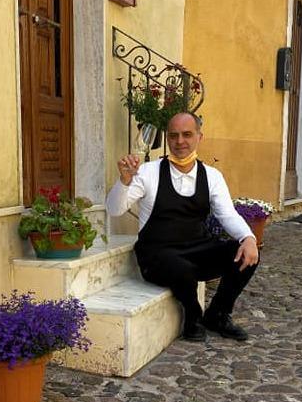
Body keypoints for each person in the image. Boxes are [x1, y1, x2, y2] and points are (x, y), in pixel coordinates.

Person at [105, 111, 259, 342]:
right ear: (167, 138)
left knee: (246, 255)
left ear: (199, 137)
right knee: (181, 269)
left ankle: (218, 314)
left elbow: (227, 214)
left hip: (197, 249)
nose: (180, 142)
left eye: (187, 134)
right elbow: (115, 209)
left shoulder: (212, 176)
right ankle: (193, 317)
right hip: (157, 254)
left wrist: (248, 238)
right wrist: (124, 181)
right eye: (174, 135)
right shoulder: (148, 172)